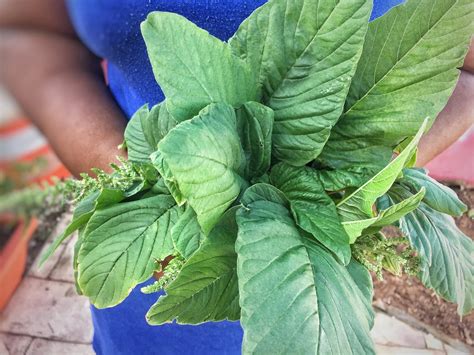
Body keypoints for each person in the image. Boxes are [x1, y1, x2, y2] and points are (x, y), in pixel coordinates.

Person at [1, 0, 473, 354]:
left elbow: (467, 66)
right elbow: (29, 32)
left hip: (308, 265)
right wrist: (134, 170)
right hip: (159, 248)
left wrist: (358, 180)